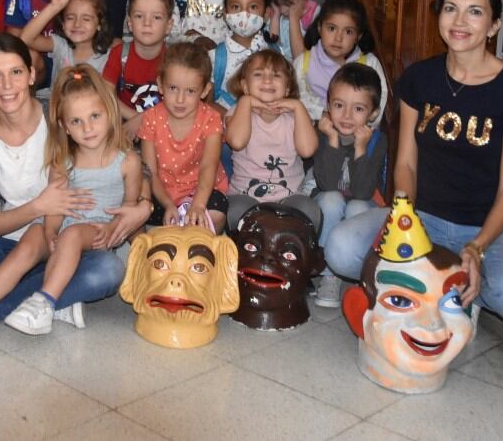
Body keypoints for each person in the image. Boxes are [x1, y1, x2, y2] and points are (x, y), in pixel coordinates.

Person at [324, 0, 503, 323]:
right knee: (341, 248)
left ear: (493, 26)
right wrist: (403, 217)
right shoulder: (420, 79)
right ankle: (446, 286)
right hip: (421, 216)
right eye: (450, 8)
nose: (460, 21)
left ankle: (448, 284)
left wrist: (477, 247)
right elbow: (407, 165)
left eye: (475, 12)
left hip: (486, 228)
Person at [0, 35, 151, 330]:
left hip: (66, 246)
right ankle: (48, 300)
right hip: (5, 251)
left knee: (107, 270)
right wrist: (38, 206)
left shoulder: (63, 116)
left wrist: (143, 207)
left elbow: (129, 161)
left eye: (16, 72)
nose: (7, 85)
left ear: (32, 75)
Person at [0, 65, 142, 345]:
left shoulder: (127, 161)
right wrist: (51, 232)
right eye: (76, 121)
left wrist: (115, 227)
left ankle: (44, 302)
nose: (87, 128)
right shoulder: (63, 162)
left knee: (74, 235)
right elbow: (54, 207)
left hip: (93, 232)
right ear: (64, 126)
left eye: (94, 117)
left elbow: (129, 207)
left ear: (110, 114)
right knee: (31, 236)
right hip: (60, 228)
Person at [311, 62, 386, 307]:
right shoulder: (323, 132)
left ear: (373, 113)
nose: (346, 116)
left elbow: (363, 191)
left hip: (360, 201)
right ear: (328, 105)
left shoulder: (376, 140)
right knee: (332, 199)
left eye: (358, 109)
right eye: (339, 105)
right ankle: (329, 273)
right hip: (327, 203)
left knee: (357, 207)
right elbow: (326, 183)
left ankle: (359, 272)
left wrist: (360, 148)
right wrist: (332, 140)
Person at [223, 49, 319, 229]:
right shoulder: (237, 113)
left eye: (276, 75)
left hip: (289, 199)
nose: (267, 80)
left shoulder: (295, 118)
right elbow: (236, 141)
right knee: (233, 211)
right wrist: (245, 102)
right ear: (245, 86)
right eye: (258, 74)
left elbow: (307, 150)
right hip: (246, 198)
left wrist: (298, 108)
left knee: (310, 209)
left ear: (287, 88)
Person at [138, 42, 228, 232]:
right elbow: (150, 172)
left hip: (201, 191)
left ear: (204, 91)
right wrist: (168, 204)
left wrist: (198, 205)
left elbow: (208, 167)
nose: (180, 99)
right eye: (173, 88)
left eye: (190, 91)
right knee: (139, 208)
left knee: (216, 214)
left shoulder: (211, 119)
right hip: (161, 191)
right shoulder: (151, 118)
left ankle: (195, 243)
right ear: (160, 85)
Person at [295, 0, 389, 121]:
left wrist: (364, 124)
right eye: (332, 28)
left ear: (359, 36)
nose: (338, 38)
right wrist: (321, 114)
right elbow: (297, 96)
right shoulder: (304, 62)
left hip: (357, 131)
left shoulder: (369, 63)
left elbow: (380, 99)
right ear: (319, 27)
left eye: (348, 32)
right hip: (314, 129)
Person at [102, 0, 173, 141]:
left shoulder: (174, 59)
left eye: (156, 17)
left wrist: (144, 120)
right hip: (125, 120)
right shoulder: (120, 54)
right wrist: (136, 118)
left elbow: (180, 102)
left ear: (169, 26)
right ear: (129, 23)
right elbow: (105, 94)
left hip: (164, 123)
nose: (147, 23)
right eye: (139, 16)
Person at [20, 0, 118, 78]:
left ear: (100, 24)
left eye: (86, 19)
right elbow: (26, 38)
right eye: (70, 18)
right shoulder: (60, 46)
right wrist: (54, 7)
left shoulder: (108, 56)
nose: (77, 24)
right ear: (62, 22)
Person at [211, 0, 271, 110]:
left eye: (253, 7)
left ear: (266, 14)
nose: (244, 14)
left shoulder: (274, 52)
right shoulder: (216, 57)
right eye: (236, 7)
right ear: (225, 14)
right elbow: (207, 102)